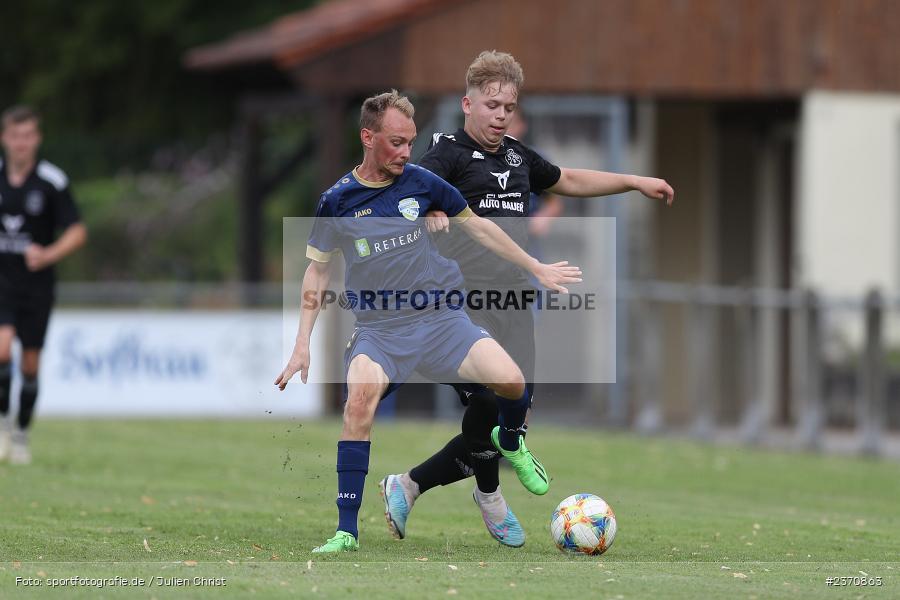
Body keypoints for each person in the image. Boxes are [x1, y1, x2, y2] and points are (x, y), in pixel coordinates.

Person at [380, 50, 674, 548]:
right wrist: (428, 210)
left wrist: (633, 181)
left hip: (514, 301)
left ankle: (410, 484)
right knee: (491, 407)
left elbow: (570, 180)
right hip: (458, 307)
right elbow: (406, 193)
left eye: (508, 106)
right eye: (492, 105)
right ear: (468, 104)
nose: (500, 115)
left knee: (516, 412)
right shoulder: (446, 152)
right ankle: (489, 495)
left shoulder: (517, 156)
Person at [274, 90, 581, 553]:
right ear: (368, 137)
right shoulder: (336, 201)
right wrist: (302, 342)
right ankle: (346, 532)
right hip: (381, 332)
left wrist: (535, 267)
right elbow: (316, 271)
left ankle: (512, 441)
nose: (404, 153)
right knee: (358, 406)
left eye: (410, 142)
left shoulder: (422, 182)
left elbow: (479, 226)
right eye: (396, 143)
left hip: (442, 320)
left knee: (513, 383)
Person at [0, 105, 87, 465]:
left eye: (28, 136)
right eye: (15, 136)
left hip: (36, 287)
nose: (22, 143)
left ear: (37, 139)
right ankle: (2, 426)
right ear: (5, 138)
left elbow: (78, 231)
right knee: (2, 349)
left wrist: (48, 254)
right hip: (2, 281)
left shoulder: (52, 180)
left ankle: (21, 433)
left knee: (30, 365)